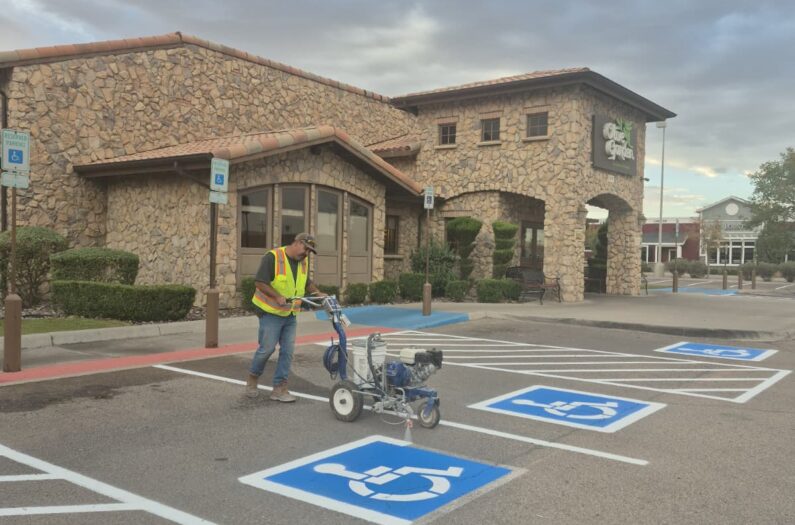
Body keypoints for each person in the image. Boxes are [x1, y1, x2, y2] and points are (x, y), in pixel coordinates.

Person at [246, 232, 326, 402]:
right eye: (306, 248)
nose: (306, 253)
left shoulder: (302, 262)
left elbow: (306, 283)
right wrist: (276, 296)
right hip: (270, 312)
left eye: (310, 251)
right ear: (296, 243)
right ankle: (253, 377)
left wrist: (317, 293)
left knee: (287, 352)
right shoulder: (273, 257)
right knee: (266, 349)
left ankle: (279, 388)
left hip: (290, 313)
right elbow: (260, 282)